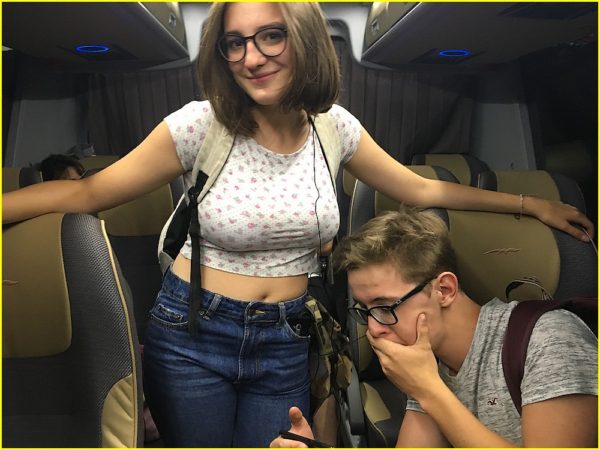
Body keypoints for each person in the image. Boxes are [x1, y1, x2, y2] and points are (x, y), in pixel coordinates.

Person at [2, 2, 594, 447]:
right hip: (192, 334)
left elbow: (421, 189)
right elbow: (88, 192)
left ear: (306, 40)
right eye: (234, 43)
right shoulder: (199, 124)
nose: (250, 57)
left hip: (286, 336)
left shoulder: (335, 127)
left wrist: (531, 205)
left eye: (270, 35)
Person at [270, 207, 597, 448]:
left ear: (444, 290)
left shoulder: (550, 339)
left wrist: (429, 390)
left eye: (385, 307)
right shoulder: (432, 365)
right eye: (365, 310)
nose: (373, 329)